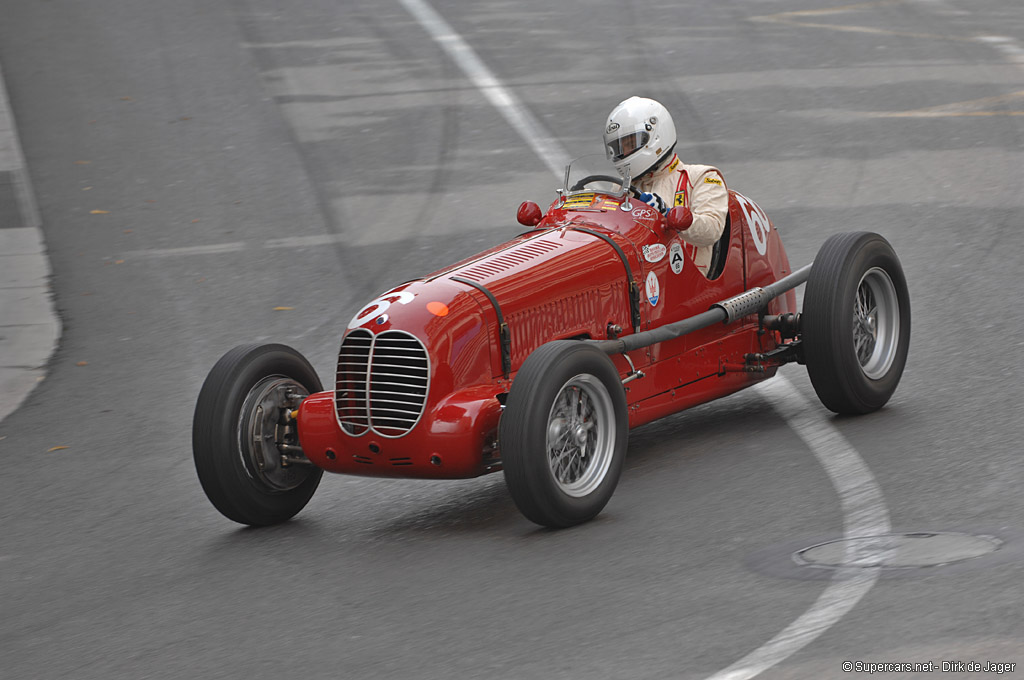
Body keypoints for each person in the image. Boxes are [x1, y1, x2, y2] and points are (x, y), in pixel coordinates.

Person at [603, 96, 728, 277]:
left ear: (655, 137)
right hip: (640, 279)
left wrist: (667, 214)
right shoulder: (623, 188)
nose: (625, 153)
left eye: (630, 144)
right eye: (620, 147)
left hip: (686, 282)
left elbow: (712, 230)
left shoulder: (702, 177)